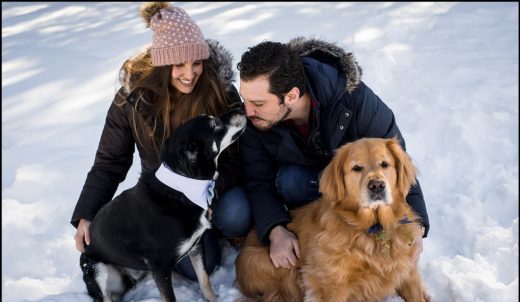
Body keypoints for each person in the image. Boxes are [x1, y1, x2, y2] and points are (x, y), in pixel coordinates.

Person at [71, 2, 251, 281]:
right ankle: (198, 238)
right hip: (168, 203)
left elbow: (239, 153)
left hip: (216, 189)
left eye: (196, 63)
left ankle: (219, 229)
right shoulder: (132, 100)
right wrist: (87, 213)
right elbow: (110, 161)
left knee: (238, 214)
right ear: (162, 62)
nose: (189, 74)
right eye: (179, 64)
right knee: (201, 266)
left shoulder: (219, 90)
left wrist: (210, 191)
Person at [236, 37, 429, 269]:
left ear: (291, 96)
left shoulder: (357, 102)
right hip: (304, 188)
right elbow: (258, 181)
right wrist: (275, 230)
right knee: (289, 180)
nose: (247, 111)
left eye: (257, 103)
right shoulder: (255, 120)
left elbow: (397, 166)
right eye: (244, 99)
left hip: (354, 186)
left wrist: (416, 224)